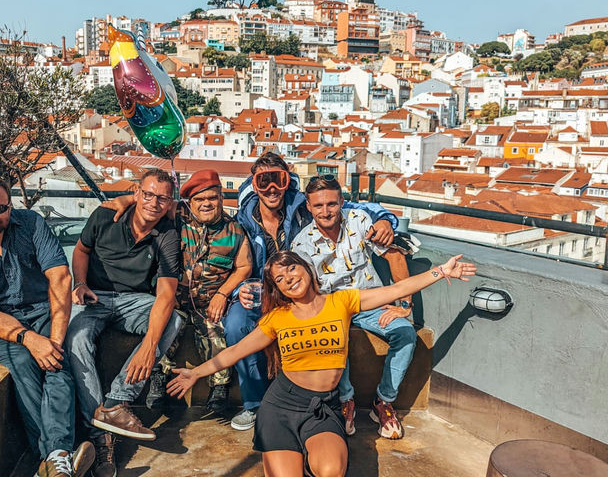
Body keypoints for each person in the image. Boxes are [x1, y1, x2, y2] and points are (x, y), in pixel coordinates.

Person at [168, 250, 476, 477]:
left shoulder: (340, 302)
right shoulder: (278, 317)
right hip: (281, 408)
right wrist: (195, 373)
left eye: (292, 268)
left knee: (330, 471)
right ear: (277, 288)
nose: (289, 278)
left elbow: (395, 291)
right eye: (280, 278)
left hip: (323, 408)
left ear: (308, 269)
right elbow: (234, 352)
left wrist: (440, 272)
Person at [224, 151, 399, 431]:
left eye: (278, 180)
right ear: (254, 184)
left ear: (287, 181)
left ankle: (311, 401)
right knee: (235, 324)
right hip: (264, 290)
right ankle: (255, 404)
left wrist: (385, 220)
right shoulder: (243, 218)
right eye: (263, 181)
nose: (271, 189)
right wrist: (237, 291)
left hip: (305, 291)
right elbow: (234, 260)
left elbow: (349, 207)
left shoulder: (302, 206)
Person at [0, 174, 93, 477]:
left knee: (57, 361)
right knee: (23, 361)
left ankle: (52, 461)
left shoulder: (32, 224)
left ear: (11, 206)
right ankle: (58, 455)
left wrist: (54, 340)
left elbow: (60, 278)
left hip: (44, 310)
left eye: (0, 208)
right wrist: (30, 340)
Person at [101, 169, 253, 413]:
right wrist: (127, 199)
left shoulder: (234, 231)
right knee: (165, 330)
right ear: (189, 202)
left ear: (222, 199)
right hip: (173, 300)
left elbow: (244, 266)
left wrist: (222, 294)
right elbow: (153, 202)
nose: (206, 204)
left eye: (212, 198)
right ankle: (158, 380)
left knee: (216, 334)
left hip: (208, 303)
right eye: (199, 200)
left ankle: (219, 388)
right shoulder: (178, 215)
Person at [66, 169, 184, 477]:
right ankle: (101, 437)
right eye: (148, 194)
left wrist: (149, 345)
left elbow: (166, 293)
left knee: (172, 319)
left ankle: (117, 402)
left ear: (169, 202)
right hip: (96, 296)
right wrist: (79, 283)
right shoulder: (106, 216)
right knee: (76, 338)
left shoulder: (168, 234)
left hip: (134, 301)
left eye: (162, 198)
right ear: (136, 192)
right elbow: (81, 250)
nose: (153, 203)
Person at [292, 175, 418, 439]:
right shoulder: (301, 244)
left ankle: (383, 401)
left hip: (372, 301)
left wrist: (405, 305)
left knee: (406, 334)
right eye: (318, 206)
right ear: (308, 206)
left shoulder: (359, 221)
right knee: (336, 335)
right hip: (334, 305)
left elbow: (394, 255)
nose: (326, 212)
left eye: (332, 204)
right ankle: (345, 400)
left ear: (341, 202)